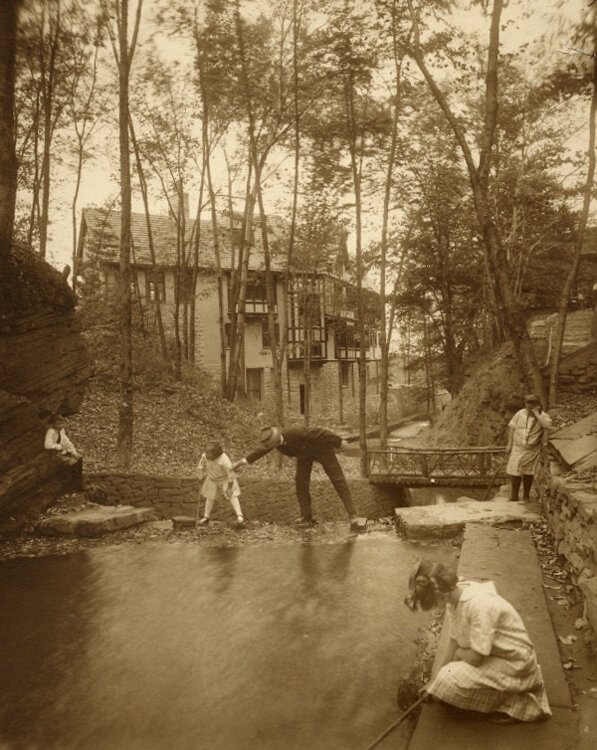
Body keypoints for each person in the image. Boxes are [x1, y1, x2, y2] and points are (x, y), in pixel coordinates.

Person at [404, 559, 551, 724]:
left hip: (516, 663)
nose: (436, 606)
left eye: (434, 601)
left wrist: (458, 655)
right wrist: (432, 682)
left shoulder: (478, 604)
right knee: (442, 682)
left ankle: (516, 704)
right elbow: (453, 641)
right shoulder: (455, 598)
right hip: (494, 654)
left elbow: (475, 658)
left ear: (440, 592)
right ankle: (500, 695)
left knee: (447, 681)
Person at [232, 425, 358, 527]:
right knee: (300, 482)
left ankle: (353, 515)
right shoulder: (272, 442)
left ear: (276, 439)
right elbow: (260, 451)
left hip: (322, 450)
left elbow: (320, 432)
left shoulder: (294, 431)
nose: (274, 448)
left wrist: (338, 441)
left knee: (338, 480)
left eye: (274, 445)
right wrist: (241, 463)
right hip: (304, 456)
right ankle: (306, 517)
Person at [505, 394, 552, 503]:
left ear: (538, 405)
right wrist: (509, 444)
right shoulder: (519, 414)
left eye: (532, 404)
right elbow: (511, 428)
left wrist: (537, 414)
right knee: (515, 470)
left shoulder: (543, 416)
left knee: (528, 471)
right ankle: (514, 496)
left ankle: (526, 496)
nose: (529, 407)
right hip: (518, 447)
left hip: (532, 448)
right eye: (528, 404)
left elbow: (547, 426)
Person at [196, 441, 245, 529]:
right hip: (212, 478)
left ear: (216, 454)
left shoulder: (224, 459)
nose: (207, 455)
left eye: (210, 454)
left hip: (225, 479)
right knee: (209, 497)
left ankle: (239, 516)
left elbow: (231, 473)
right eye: (207, 453)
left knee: (232, 495)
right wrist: (200, 474)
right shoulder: (204, 456)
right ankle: (206, 517)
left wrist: (229, 488)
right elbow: (201, 465)